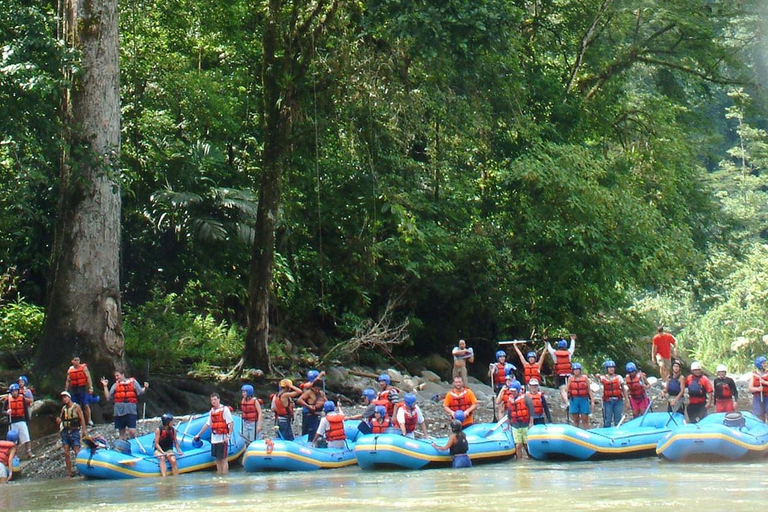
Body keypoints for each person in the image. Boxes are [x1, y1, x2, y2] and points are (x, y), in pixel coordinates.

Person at [100, 369, 149, 439]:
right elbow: (108, 397)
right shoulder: (115, 385)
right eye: (115, 376)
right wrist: (105, 386)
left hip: (130, 409)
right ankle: (122, 445)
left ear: (122, 375)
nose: (116, 377)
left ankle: (133, 443)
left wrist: (145, 388)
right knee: (122, 431)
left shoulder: (133, 382)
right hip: (119, 411)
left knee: (132, 431)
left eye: (118, 375)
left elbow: (140, 392)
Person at [193, 393, 233, 474]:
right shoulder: (212, 411)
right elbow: (208, 424)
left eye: (215, 399)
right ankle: (219, 475)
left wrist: (228, 436)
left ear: (219, 400)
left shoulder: (225, 409)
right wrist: (198, 434)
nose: (213, 401)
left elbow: (231, 423)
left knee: (223, 459)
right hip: (214, 438)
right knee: (217, 459)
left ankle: (225, 476)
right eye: (212, 400)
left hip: (222, 438)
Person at [57, 391, 86, 477]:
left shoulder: (76, 407)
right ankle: (69, 472)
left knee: (77, 451)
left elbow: (82, 419)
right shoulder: (63, 409)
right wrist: (58, 420)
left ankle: (81, 470)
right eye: (63, 398)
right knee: (66, 453)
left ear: (69, 397)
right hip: (65, 432)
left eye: (66, 397)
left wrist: (84, 430)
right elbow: (61, 418)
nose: (64, 399)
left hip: (74, 432)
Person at [547, 334, 576, 408]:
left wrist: (546, 342)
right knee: (568, 388)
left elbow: (549, 348)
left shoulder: (554, 353)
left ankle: (566, 402)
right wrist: (572, 340)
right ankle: (568, 402)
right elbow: (572, 347)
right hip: (569, 374)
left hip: (560, 374)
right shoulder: (569, 352)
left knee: (562, 389)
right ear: (565, 346)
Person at [5, 383, 33, 458]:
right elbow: (2, 411)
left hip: (21, 420)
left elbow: (25, 410)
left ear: (18, 391)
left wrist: (27, 421)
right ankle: (14, 455)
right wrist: (6, 412)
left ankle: (29, 452)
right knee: (13, 439)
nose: (14, 392)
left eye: (16, 391)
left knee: (26, 437)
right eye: (13, 391)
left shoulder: (22, 398)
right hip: (13, 422)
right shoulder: (8, 400)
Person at [507, 381, 534, 459]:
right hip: (515, 425)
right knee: (518, 445)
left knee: (526, 444)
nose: (513, 393)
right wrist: (508, 424)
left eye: (514, 391)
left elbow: (531, 411)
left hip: (525, 424)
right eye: (511, 391)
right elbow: (509, 413)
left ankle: (531, 458)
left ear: (518, 390)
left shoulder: (526, 398)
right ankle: (519, 463)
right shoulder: (510, 400)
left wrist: (531, 423)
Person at [66, 355, 95, 426]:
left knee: (86, 405)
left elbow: (88, 378)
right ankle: (78, 421)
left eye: (78, 360)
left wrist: (91, 387)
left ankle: (89, 420)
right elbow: (68, 381)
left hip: (83, 388)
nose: (77, 362)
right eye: (75, 360)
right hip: (74, 389)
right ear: (72, 361)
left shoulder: (84, 368)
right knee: (75, 406)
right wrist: (66, 391)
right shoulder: (70, 370)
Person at [297, 376, 326, 441]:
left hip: (318, 414)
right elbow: (299, 400)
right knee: (309, 431)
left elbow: (326, 402)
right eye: (316, 389)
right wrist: (307, 406)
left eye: (318, 389)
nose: (317, 391)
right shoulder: (309, 392)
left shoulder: (321, 393)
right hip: (310, 415)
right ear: (313, 387)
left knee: (318, 430)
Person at [599, 360, 627, 427]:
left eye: (612, 367)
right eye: (609, 367)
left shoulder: (619, 377)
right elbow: (599, 379)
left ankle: (617, 433)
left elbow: (623, 389)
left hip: (618, 401)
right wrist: (597, 376)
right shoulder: (603, 378)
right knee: (607, 419)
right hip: (607, 401)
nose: (611, 369)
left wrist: (627, 400)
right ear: (606, 369)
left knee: (618, 419)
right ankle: (607, 433)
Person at [566, 363, 593, 429]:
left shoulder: (585, 378)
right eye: (575, 370)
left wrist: (592, 401)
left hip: (583, 399)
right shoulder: (570, 379)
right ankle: (575, 434)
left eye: (577, 369)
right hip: (574, 400)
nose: (576, 371)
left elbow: (589, 390)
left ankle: (588, 433)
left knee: (585, 419)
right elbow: (567, 389)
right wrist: (567, 395)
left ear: (580, 370)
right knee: (575, 420)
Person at [748, 356, 768, 422]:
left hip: (767, 397)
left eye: (765, 363)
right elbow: (750, 388)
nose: (765, 364)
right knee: (759, 415)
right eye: (763, 363)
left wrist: (764, 382)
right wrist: (757, 389)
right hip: (757, 398)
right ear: (759, 364)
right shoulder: (754, 375)